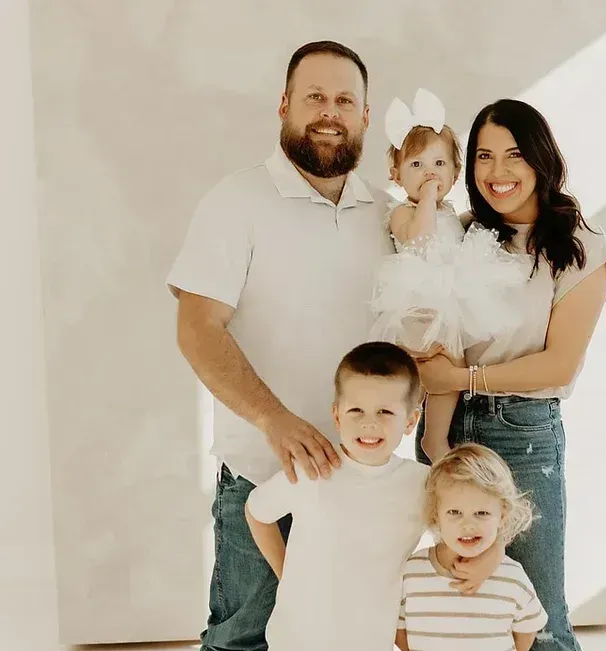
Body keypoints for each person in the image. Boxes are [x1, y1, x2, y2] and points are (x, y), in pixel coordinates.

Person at [167, 41, 393, 651]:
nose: (330, 111)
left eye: (345, 99)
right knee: (244, 638)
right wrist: (274, 419)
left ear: (366, 116)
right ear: (285, 106)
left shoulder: (389, 216)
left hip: (364, 485)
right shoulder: (235, 202)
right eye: (314, 96)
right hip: (263, 477)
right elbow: (197, 327)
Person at [414, 99, 606, 651]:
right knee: (451, 599)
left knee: (537, 612)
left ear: (540, 160)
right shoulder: (459, 234)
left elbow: (558, 364)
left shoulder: (580, 249)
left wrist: (458, 377)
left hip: (522, 431)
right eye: (483, 156)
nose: (497, 173)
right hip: (445, 426)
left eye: (513, 155)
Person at [245, 342, 505, 651]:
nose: (369, 423)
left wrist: (494, 554)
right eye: (356, 410)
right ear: (337, 416)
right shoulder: (312, 470)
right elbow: (257, 512)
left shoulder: (422, 484)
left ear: (410, 421)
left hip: (371, 640)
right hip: (296, 641)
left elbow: (469, 520)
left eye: (385, 412)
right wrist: (284, 573)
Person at [371, 88, 525, 464]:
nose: (429, 174)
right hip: (419, 303)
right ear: (395, 173)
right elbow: (420, 238)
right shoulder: (401, 212)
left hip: (446, 300)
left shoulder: (453, 212)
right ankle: (431, 438)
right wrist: (425, 197)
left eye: (439, 165)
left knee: (453, 365)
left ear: (456, 173)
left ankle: (433, 433)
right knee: (442, 365)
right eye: (416, 166)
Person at [396, 443, 548, 651]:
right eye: (455, 512)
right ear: (436, 515)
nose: (467, 525)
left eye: (482, 513)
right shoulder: (413, 571)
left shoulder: (512, 576)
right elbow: (399, 628)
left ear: (502, 516)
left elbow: (527, 629)